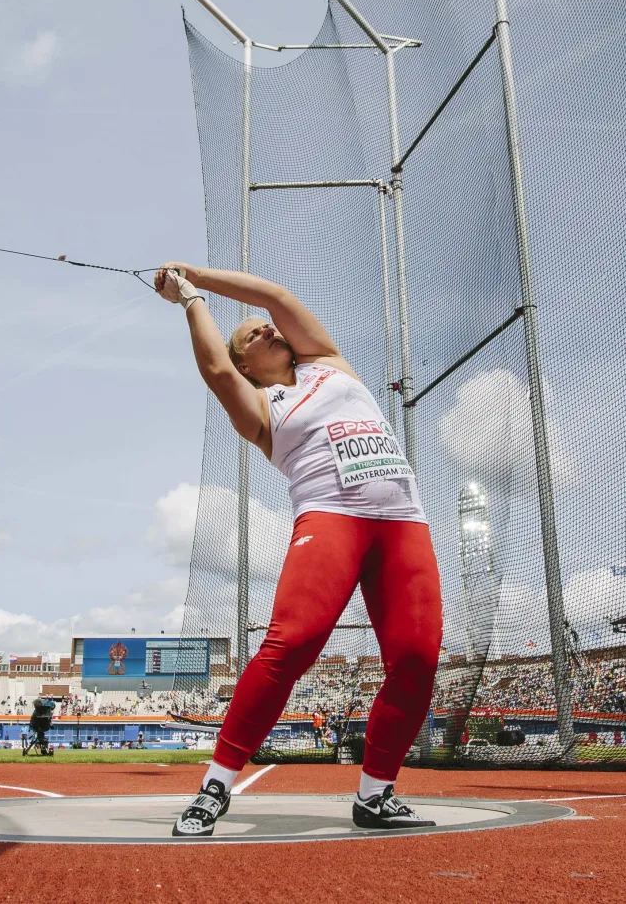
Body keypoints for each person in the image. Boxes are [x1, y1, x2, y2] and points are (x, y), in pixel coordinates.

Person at [157, 264, 442, 838]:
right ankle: (216, 785)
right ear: (245, 365)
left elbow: (276, 295)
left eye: (266, 326)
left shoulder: (328, 362)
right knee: (292, 643)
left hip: (403, 522)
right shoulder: (261, 408)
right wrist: (189, 298)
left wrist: (198, 273)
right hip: (331, 516)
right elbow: (215, 369)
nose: (266, 329)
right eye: (250, 335)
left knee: (417, 658)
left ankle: (375, 794)